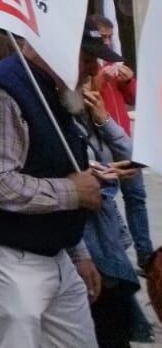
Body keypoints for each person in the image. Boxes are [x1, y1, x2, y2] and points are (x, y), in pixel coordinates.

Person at [0, 33, 106, 348]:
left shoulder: (51, 92)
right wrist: (71, 191)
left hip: (47, 248)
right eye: (86, 59)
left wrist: (76, 251)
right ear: (55, 51)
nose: (93, 70)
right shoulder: (2, 91)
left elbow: (56, 168)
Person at [72, 39, 145, 348]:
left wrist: (105, 120)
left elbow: (131, 156)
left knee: (114, 328)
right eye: (87, 62)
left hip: (109, 239)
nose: (93, 71)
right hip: (85, 241)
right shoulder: (60, 114)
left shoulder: (91, 112)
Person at [87, 14, 151, 272]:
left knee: (137, 198)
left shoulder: (116, 60)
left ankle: (145, 255)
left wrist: (127, 80)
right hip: (102, 143)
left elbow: (135, 96)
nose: (107, 41)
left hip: (122, 139)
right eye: (102, 37)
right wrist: (101, 76)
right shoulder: (89, 63)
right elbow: (87, 95)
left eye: (109, 37)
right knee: (107, 200)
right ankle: (115, 254)